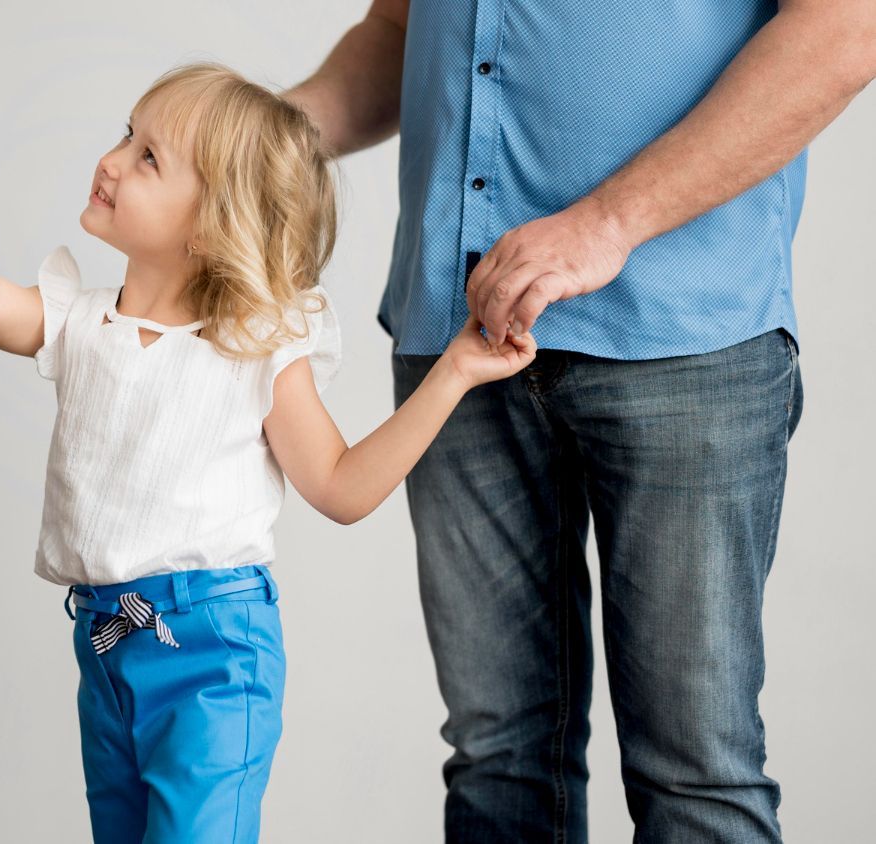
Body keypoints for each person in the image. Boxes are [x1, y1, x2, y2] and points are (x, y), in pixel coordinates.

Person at [0, 62, 536, 842]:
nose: (111, 161)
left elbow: (342, 487)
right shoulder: (84, 323)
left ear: (214, 224)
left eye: (149, 157)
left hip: (215, 651)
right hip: (107, 644)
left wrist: (452, 374)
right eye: (126, 134)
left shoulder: (256, 347)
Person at [283, 1, 876, 840]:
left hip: (682, 335)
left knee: (694, 773)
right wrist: (245, 137)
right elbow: (398, 28)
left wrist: (608, 223)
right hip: (455, 336)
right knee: (497, 759)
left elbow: (846, 28)